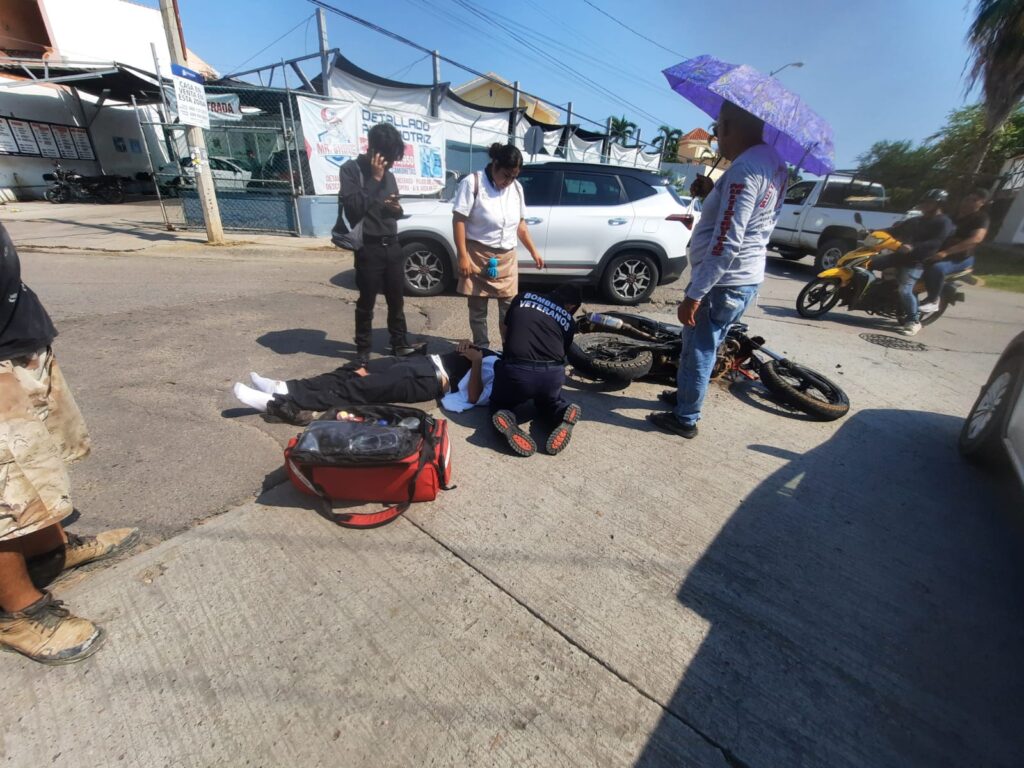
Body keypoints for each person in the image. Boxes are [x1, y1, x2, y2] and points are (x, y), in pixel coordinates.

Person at [0, 223, 138, 665]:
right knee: (5, 501)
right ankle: (19, 610)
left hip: (17, 341)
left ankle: (49, 552)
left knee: (33, 478)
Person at [648, 101, 789, 440]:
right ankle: (686, 396)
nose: (716, 135)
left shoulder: (745, 170)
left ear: (732, 127)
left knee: (699, 348)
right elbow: (753, 215)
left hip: (722, 282)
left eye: (719, 126)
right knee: (704, 344)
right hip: (745, 277)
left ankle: (685, 418)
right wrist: (713, 192)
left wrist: (695, 294)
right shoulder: (773, 163)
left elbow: (728, 241)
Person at [232, 342, 498, 424]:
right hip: (425, 362)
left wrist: (475, 362)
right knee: (354, 371)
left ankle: (276, 403)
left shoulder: (506, 379)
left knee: (356, 387)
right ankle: (285, 387)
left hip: (427, 379)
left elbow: (474, 397)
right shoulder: (501, 356)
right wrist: (466, 349)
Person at [335, 123, 420, 365]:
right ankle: (363, 349)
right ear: (374, 151)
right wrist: (374, 179)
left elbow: (390, 210)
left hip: (392, 245)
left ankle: (399, 343)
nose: (392, 164)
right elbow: (354, 208)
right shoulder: (351, 170)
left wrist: (396, 210)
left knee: (397, 300)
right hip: (368, 247)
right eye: (389, 158)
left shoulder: (390, 175)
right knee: (366, 302)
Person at [453, 143, 544, 348]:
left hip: (506, 257)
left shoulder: (517, 189)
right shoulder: (473, 183)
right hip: (477, 255)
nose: (509, 181)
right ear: (495, 164)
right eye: (505, 175)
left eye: (514, 176)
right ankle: (481, 347)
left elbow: (521, 226)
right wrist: (462, 256)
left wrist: (534, 252)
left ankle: (508, 347)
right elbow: (459, 220)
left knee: (509, 309)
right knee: (477, 310)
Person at [489, 284, 584, 457]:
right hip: (552, 375)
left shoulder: (524, 296)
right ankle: (562, 412)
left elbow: (505, 329)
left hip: (517, 373)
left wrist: (509, 354)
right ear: (571, 306)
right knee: (547, 402)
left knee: (498, 404)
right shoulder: (569, 320)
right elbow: (563, 354)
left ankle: (506, 418)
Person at [870, 189, 954, 336]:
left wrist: (913, 247)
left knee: (905, 290)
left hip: (917, 261)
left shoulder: (943, 222)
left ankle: (913, 321)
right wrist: (873, 232)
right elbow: (894, 230)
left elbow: (936, 242)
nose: (925, 205)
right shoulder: (916, 220)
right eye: (924, 202)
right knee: (867, 263)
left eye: (929, 202)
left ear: (939, 204)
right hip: (900, 256)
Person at [917, 188, 990, 314]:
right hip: (939, 253)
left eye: (974, 200)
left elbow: (976, 239)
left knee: (937, 269)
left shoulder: (981, 218)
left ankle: (933, 301)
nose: (969, 202)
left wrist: (946, 252)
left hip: (960, 258)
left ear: (981, 203)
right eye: (967, 199)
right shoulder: (951, 216)